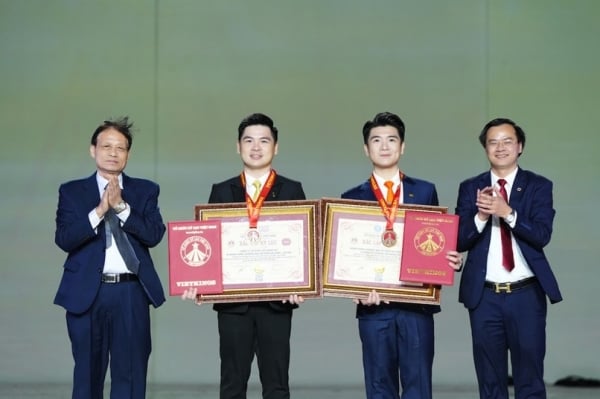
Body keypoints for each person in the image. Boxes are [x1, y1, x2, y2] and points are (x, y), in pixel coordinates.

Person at [182, 112, 305, 399]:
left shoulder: (292, 189)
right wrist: (199, 283)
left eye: (264, 140)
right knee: (232, 385)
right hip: (233, 306)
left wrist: (302, 286)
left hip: (277, 303)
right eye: (248, 140)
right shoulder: (222, 191)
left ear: (276, 147)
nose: (256, 147)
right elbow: (207, 246)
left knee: (277, 386)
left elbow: (303, 246)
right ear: (238, 146)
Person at [341, 111, 463, 399]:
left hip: (415, 308)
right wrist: (351, 288)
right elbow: (345, 255)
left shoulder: (424, 191)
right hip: (374, 308)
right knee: (379, 387)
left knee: (418, 386)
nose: (384, 146)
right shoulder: (351, 198)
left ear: (403, 146)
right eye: (377, 140)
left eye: (391, 139)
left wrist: (450, 260)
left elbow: (434, 241)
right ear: (366, 148)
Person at [54, 117, 166, 399]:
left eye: (121, 147)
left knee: (130, 373)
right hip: (86, 293)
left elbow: (154, 234)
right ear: (93, 150)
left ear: (128, 153)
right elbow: (65, 238)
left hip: (131, 291)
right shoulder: (72, 191)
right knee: (87, 375)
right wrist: (100, 210)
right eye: (106, 146)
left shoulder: (145, 190)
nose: (113, 153)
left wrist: (122, 207)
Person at [455, 117, 562, 399]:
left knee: (530, 380)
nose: (500, 147)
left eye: (507, 141)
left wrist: (507, 213)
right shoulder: (470, 188)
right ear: (485, 148)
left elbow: (541, 234)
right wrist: (480, 216)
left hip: (526, 294)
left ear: (520, 146)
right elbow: (458, 239)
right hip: (484, 296)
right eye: (493, 142)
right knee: (490, 382)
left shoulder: (538, 186)